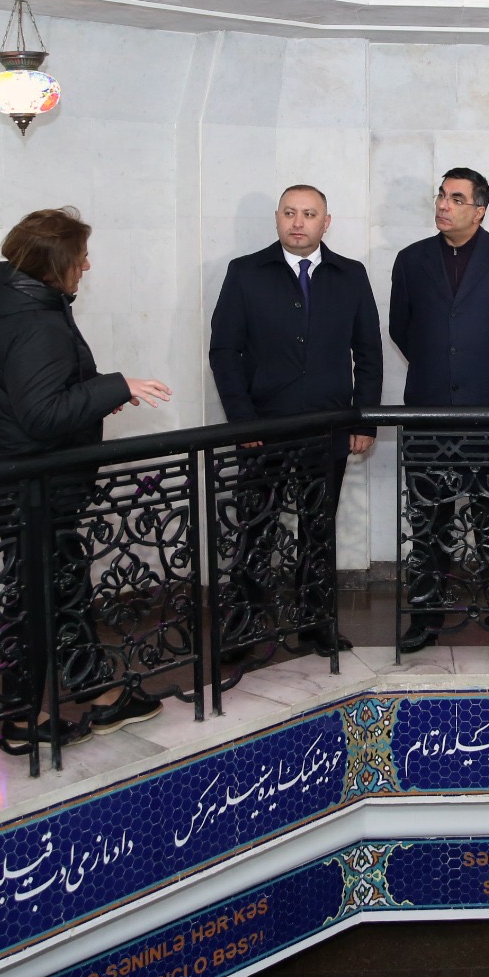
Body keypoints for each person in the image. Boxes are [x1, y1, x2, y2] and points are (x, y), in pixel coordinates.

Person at [0, 206, 172, 749]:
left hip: (20, 483)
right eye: (80, 256)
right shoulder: (36, 322)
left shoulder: (15, 303)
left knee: (56, 593)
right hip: (31, 489)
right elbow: (41, 415)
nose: (87, 264)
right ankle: (25, 721)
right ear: (56, 264)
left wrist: (95, 396)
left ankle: (96, 695)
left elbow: (44, 396)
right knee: (43, 599)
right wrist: (115, 386)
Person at [208, 184, 383, 657]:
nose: (298, 222)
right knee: (256, 529)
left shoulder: (350, 274)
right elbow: (224, 352)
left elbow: (368, 353)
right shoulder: (245, 272)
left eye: (309, 214)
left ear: (326, 223)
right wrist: (243, 422)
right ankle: (244, 626)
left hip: (329, 428)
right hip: (263, 430)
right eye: (290, 213)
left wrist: (363, 421)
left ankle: (316, 623)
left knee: (318, 531)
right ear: (277, 218)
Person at [389, 168, 489, 655]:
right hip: (429, 415)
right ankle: (426, 620)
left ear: (479, 210)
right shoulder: (411, 260)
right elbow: (400, 328)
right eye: (441, 195)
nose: (443, 204)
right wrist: (441, 367)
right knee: (428, 525)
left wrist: (488, 371)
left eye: (456, 198)